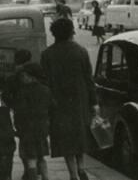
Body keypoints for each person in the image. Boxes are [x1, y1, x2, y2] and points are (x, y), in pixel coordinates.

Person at [41, 18, 98, 180]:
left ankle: (73, 173)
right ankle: (81, 167)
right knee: (80, 136)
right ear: (71, 32)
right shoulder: (80, 51)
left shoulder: (47, 54)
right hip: (80, 101)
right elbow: (89, 79)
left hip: (58, 103)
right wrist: (94, 102)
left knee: (65, 140)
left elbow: (45, 81)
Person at [13, 62, 52, 180]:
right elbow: (52, 107)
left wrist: (18, 128)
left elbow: (19, 112)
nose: (21, 78)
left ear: (31, 76)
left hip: (27, 130)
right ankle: (46, 177)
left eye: (24, 76)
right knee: (41, 157)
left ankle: (33, 177)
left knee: (30, 159)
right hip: (42, 129)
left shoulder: (22, 92)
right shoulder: (46, 90)